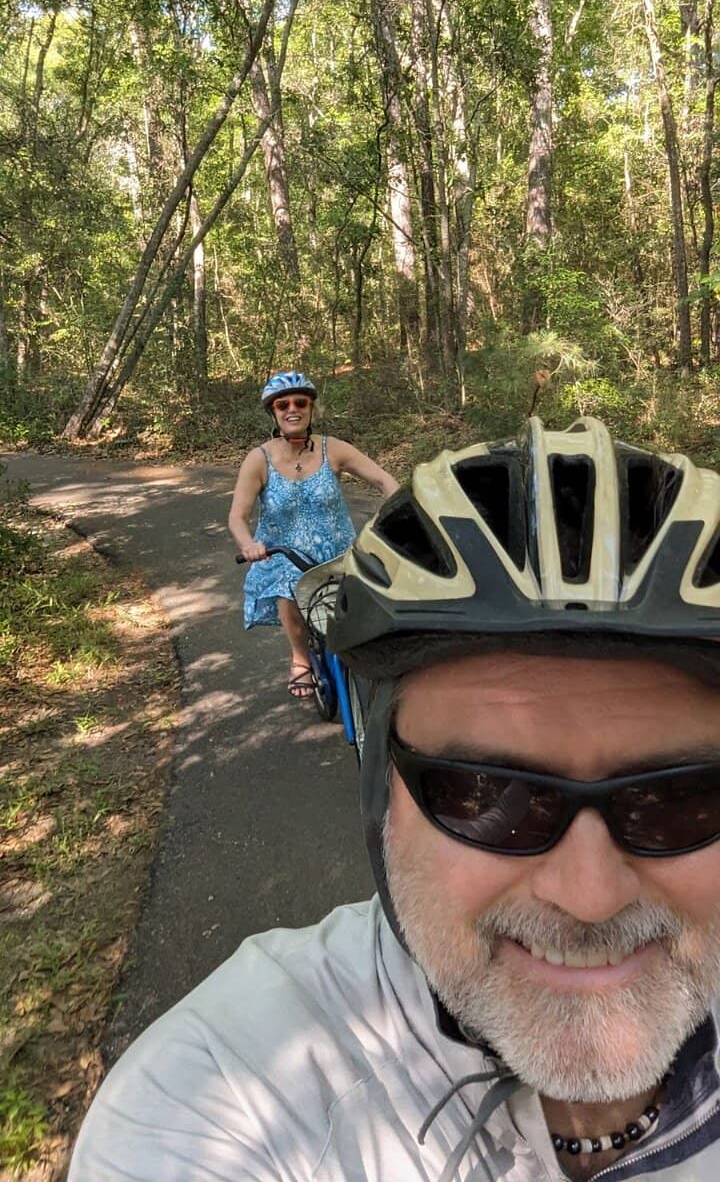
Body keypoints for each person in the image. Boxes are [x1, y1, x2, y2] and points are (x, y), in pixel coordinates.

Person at [69, 416, 720, 1181]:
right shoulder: (220, 1089)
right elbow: (240, 513)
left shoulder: (329, 449)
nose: (589, 895)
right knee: (290, 606)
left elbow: (373, 476)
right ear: (383, 797)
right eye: (485, 795)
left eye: (681, 798)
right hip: (297, 561)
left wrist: (384, 491)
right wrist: (247, 535)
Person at [228, 370, 398, 699]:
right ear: (274, 413)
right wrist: (249, 545)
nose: (292, 409)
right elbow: (238, 515)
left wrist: (402, 512)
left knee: (373, 593)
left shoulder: (331, 448)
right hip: (284, 555)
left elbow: (383, 480)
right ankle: (300, 658)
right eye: (282, 405)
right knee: (288, 591)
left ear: (311, 408)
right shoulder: (259, 459)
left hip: (336, 550)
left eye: (300, 402)